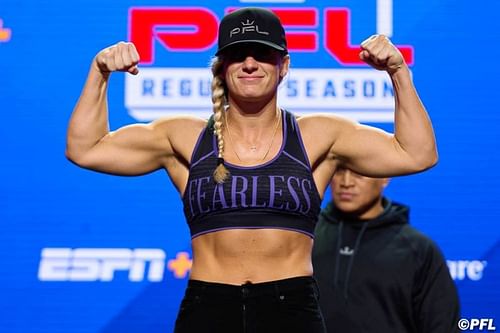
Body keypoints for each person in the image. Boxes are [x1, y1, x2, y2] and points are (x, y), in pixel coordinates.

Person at [65, 6, 438, 333]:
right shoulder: (181, 137)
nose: (249, 63)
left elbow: (416, 154)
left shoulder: (319, 136)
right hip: (207, 306)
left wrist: (398, 72)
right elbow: (85, 149)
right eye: (237, 54)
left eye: (262, 54)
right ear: (220, 66)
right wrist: (99, 72)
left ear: (284, 65)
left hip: (292, 309)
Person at [312, 166, 460, 333]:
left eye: (360, 173)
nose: (346, 182)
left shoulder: (418, 250)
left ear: (384, 177)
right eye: (339, 171)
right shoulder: (304, 238)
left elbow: (442, 325)